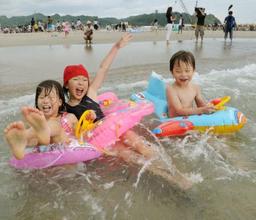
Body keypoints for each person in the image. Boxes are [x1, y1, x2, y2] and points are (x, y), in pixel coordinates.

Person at [63, 34, 192, 189]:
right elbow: (67, 131)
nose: (81, 83)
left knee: (143, 147)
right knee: (133, 157)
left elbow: (103, 68)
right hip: (100, 140)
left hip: (117, 129)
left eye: (84, 79)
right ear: (66, 84)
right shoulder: (65, 109)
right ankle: (170, 179)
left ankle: (177, 174)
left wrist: (117, 47)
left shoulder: (90, 93)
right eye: (76, 79)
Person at [4, 80, 78, 160]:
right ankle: (23, 140)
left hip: (64, 152)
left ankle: (33, 135)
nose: (45, 101)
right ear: (36, 102)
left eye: (51, 97)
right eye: (42, 97)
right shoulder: (34, 122)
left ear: (60, 102)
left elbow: (81, 137)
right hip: (42, 155)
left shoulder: (70, 118)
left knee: (56, 127)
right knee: (34, 136)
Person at [166, 50, 215, 117]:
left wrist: (209, 107)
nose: (183, 74)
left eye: (187, 71)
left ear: (193, 71)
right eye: (178, 71)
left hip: (189, 120)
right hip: (175, 122)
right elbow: (179, 111)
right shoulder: (171, 89)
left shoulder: (195, 88)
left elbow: (201, 106)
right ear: (172, 72)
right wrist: (202, 110)